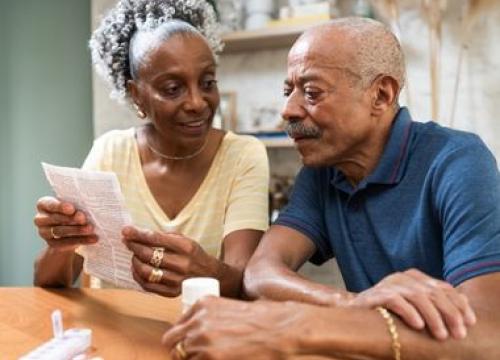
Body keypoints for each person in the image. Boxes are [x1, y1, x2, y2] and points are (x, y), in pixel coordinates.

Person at [162, 18, 500, 359]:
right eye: (288, 91)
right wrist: (352, 303)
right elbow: (259, 273)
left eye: (311, 93)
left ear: (381, 95)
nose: (288, 110)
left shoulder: (458, 162)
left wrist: (293, 326)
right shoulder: (324, 170)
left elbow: (489, 333)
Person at [33, 0, 269, 298]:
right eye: (173, 88)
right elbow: (48, 282)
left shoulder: (243, 155)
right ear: (137, 97)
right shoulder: (110, 152)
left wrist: (203, 270)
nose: (197, 102)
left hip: (201, 335)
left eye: (208, 82)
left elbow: (244, 284)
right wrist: (61, 243)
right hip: (114, 336)